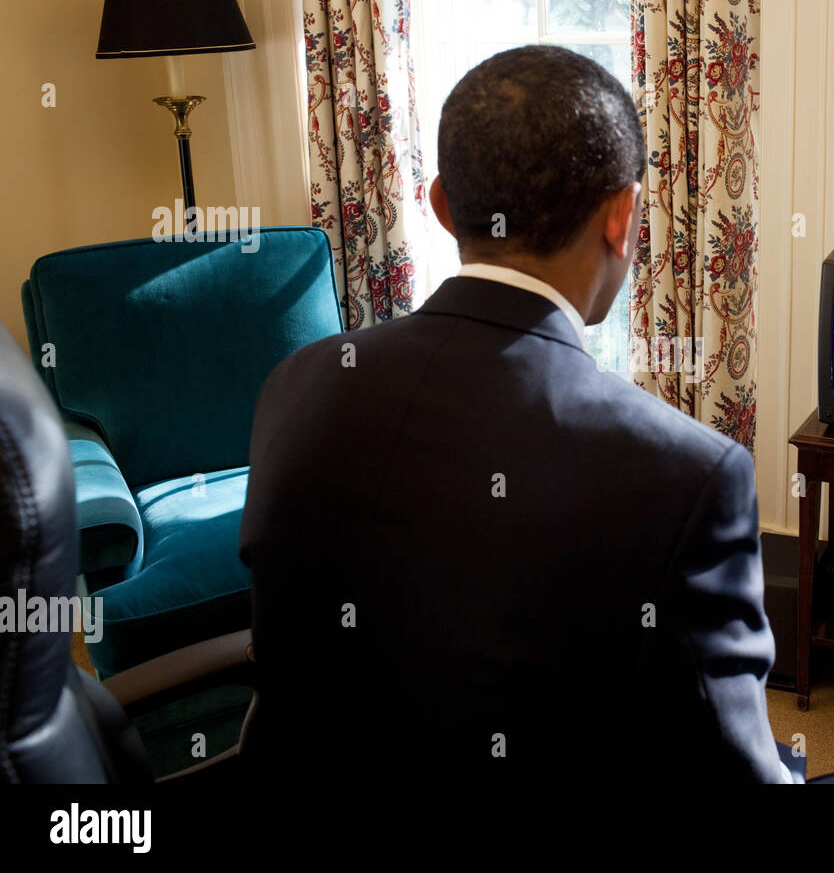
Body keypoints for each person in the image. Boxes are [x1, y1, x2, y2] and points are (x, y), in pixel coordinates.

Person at [237, 45, 791, 783]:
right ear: (623, 217)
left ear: (439, 207)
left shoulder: (296, 383)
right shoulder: (691, 474)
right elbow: (736, 770)